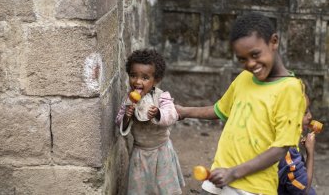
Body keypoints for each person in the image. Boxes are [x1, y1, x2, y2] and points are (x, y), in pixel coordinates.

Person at [176, 12, 306, 194]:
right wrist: (184, 111)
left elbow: (280, 148)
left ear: (274, 41)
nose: (251, 64)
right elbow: (220, 110)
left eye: (255, 54)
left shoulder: (291, 89)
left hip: (253, 188)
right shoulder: (245, 77)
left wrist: (234, 173)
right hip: (219, 175)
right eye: (242, 59)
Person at [115, 49, 185, 195]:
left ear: (156, 80)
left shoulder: (162, 96)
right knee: (140, 189)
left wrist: (159, 113)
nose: (138, 82)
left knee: (164, 189)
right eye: (133, 75)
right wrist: (127, 116)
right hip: (140, 153)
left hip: (162, 152)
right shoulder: (128, 100)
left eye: (145, 78)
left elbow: (172, 114)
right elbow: (119, 121)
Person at [278, 94, 316, 195]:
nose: (310, 116)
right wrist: (310, 153)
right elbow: (303, 189)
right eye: (305, 112)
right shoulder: (286, 151)